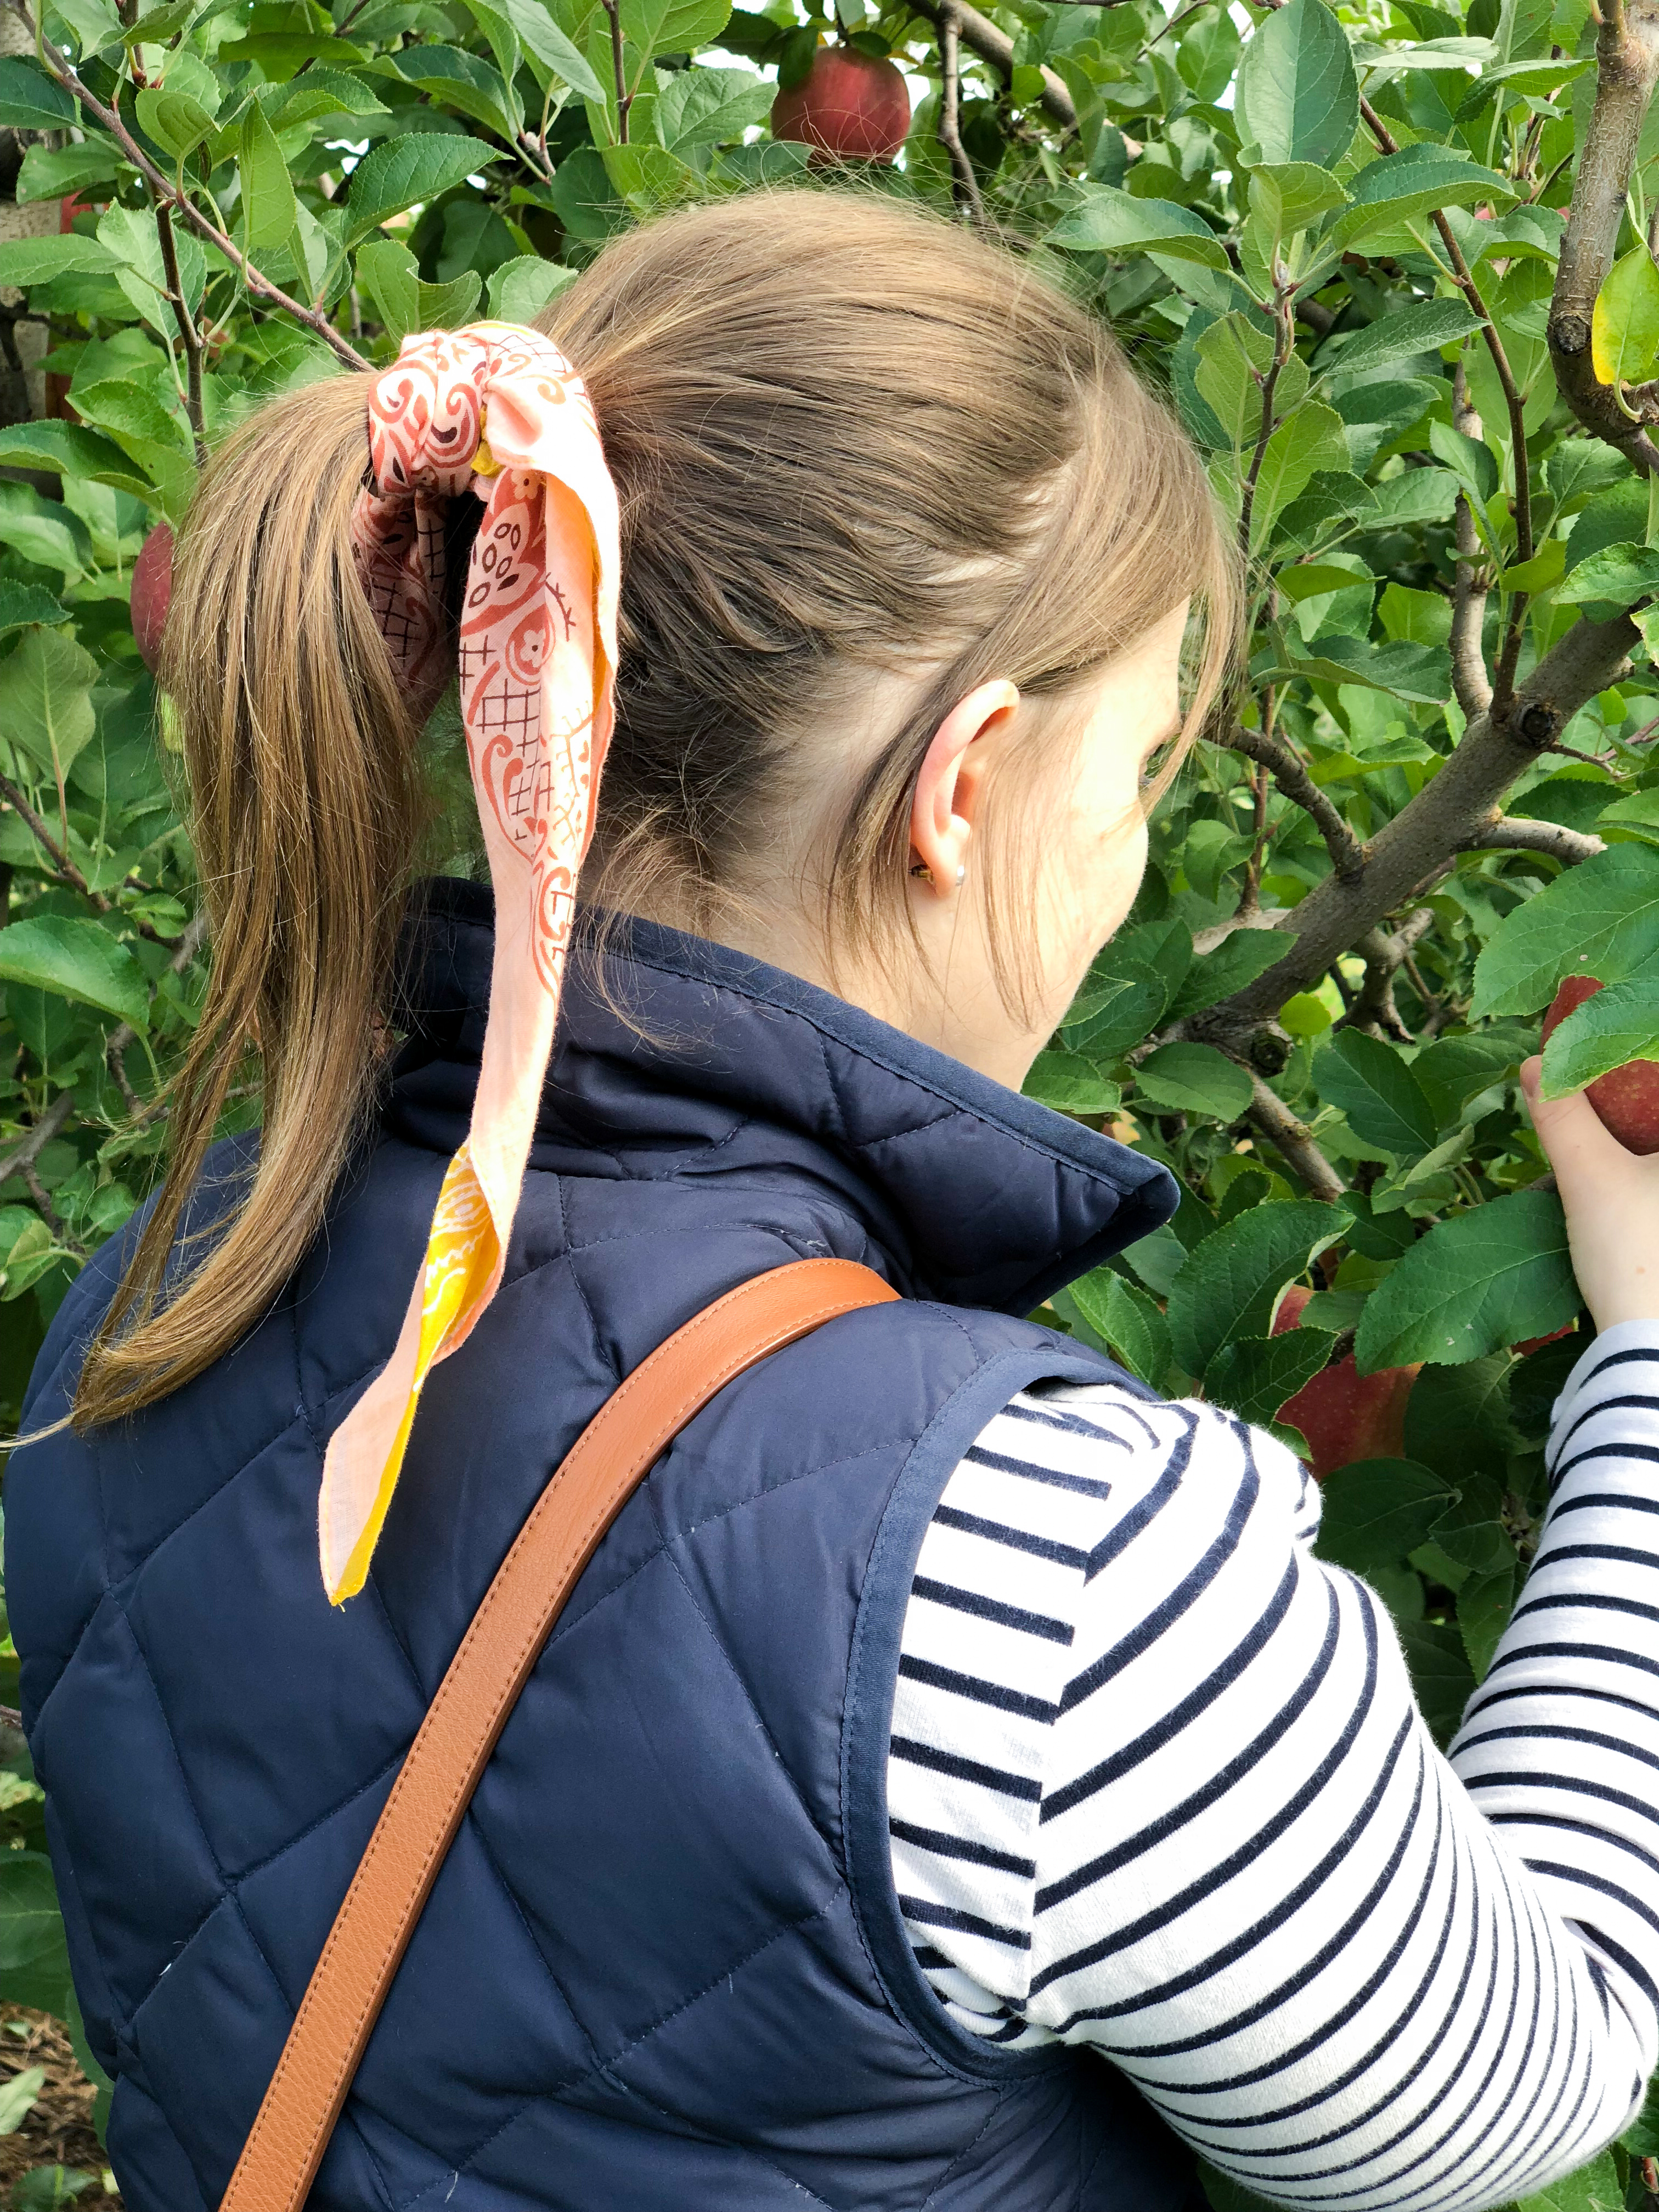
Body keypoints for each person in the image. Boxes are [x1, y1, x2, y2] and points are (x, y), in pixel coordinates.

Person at [6, 187, 1657, 2212]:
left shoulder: (151, 1304)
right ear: (966, 788)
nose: (1138, 853)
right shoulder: (1065, 1569)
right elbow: (1515, 2086)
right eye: (1141, 773)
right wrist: (1648, 1380)